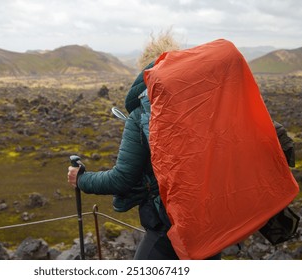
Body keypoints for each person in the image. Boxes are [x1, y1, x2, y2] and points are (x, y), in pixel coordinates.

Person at [67, 31, 221, 260]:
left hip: (167, 225)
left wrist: (81, 179)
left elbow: (122, 178)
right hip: (209, 219)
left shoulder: (142, 114)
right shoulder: (204, 106)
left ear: (145, 70)